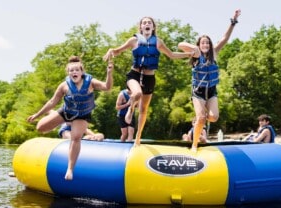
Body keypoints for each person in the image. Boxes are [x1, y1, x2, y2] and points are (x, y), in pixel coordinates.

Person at [103, 17, 195, 146]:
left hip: (149, 78)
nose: (147, 24)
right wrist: (110, 50)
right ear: (141, 27)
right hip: (134, 74)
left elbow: (172, 55)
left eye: (149, 23)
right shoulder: (134, 40)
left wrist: (188, 54)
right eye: (144, 23)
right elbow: (117, 51)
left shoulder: (158, 42)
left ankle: (138, 137)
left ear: (153, 27)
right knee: (137, 94)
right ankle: (130, 109)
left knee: (144, 110)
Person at [27, 56, 113, 180]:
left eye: (77, 70)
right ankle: (56, 117)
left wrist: (109, 73)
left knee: (76, 138)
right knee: (40, 127)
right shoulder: (64, 86)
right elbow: (52, 101)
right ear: (68, 73)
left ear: (82, 71)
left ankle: (70, 169)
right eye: (71, 70)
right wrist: (37, 115)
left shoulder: (91, 82)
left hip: (82, 115)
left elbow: (107, 87)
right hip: (66, 112)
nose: (74, 72)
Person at [178, 9, 241, 151]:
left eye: (207, 43)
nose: (205, 45)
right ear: (199, 45)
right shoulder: (195, 54)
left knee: (213, 117)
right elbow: (180, 45)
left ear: (210, 45)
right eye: (203, 43)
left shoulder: (215, 52)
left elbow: (225, 38)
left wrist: (233, 21)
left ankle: (201, 119)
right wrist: (194, 48)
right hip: (198, 92)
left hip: (211, 91)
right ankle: (194, 144)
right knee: (200, 118)